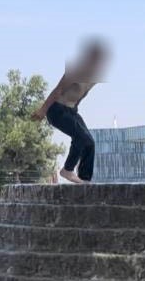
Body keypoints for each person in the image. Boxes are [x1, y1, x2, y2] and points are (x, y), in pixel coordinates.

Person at [31, 40, 108, 184]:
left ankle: (85, 179)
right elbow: (57, 90)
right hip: (56, 110)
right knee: (82, 137)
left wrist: (76, 109)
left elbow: (83, 94)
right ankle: (67, 170)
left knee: (89, 142)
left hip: (71, 110)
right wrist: (42, 110)